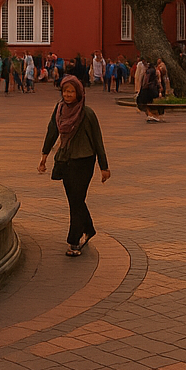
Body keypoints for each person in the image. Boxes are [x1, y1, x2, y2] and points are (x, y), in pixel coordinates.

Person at [37, 75, 110, 257]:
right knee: (74, 200)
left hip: (84, 161)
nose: (68, 95)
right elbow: (52, 131)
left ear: (79, 93)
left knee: (76, 200)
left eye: (71, 91)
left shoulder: (87, 113)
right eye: (65, 91)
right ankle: (89, 228)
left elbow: (98, 141)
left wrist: (104, 167)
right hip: (66, 160)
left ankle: (74, 241)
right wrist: (44, 157)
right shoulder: (59, 110)